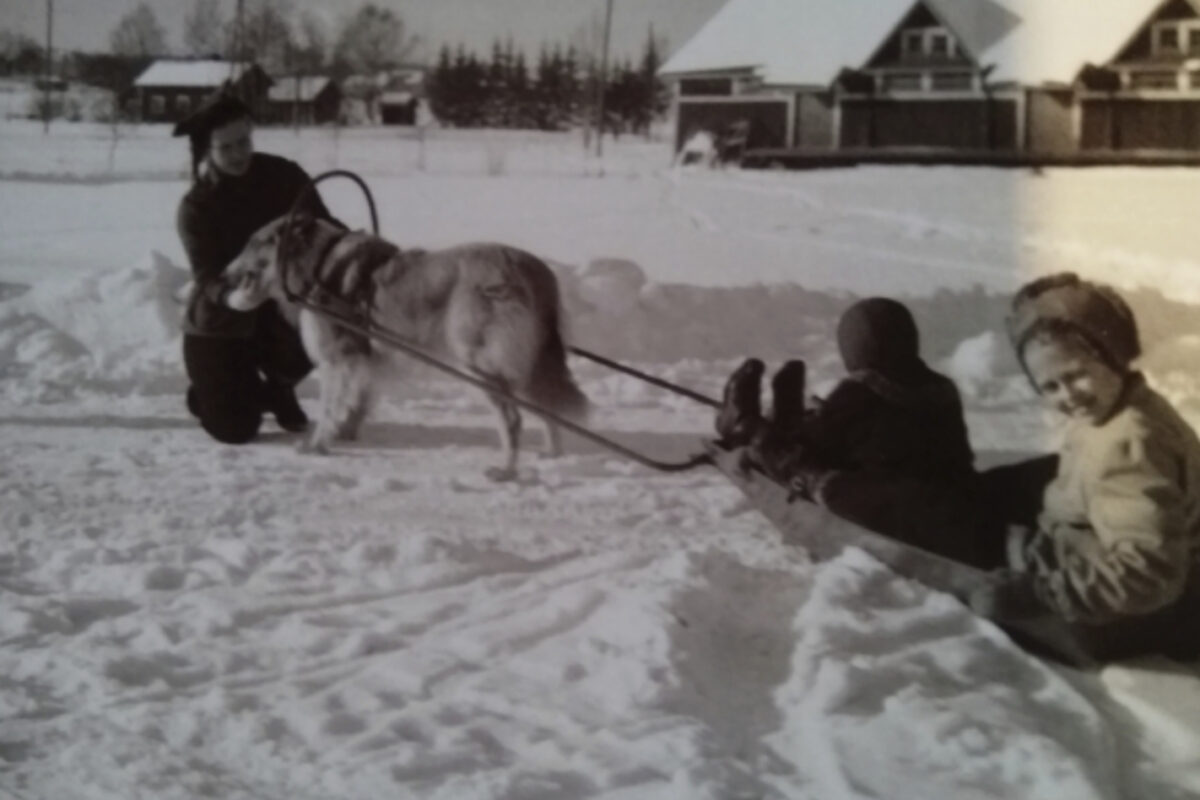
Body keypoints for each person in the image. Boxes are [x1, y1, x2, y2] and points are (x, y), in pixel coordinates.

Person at [970, 273, 1200, 660]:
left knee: (971, 522)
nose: (1068, 395)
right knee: (1010, 484)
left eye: (1076, 375)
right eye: (1051, 387)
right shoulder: (1121, 404)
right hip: (1147, 553)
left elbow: (1150, 571)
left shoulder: (1130, 444)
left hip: (1165, 606)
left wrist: (1042, 595)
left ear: (1112, 355)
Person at [717, 297, 979, 557]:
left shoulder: (860, 391)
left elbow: (814, 448)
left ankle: (744, 423)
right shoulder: (943, 388)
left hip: (878, 506)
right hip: (941, 504)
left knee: (795, 458)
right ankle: (787, 414)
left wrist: (793, 431)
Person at [174, 92, 338, 444]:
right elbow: (206, 279)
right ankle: (210, 391)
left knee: (328, 321)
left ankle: (278, 387)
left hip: (280, 308)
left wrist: (357, 249)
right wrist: (234, 298)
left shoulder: (284, 176)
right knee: (235, 430)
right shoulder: (196, 208)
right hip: (221, 322)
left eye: (243, 141)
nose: (238, 154)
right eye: (225, 147)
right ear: (207, 150)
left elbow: (325, 228)